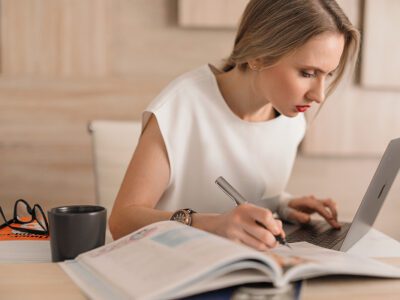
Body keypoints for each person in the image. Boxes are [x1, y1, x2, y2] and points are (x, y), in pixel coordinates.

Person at [109, 0, 360, 251]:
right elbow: (122, 221)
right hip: (170, 266)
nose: (319, 95)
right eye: (307, 73)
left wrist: (284, 204)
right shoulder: (181, 106)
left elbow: (245, 196)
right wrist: (211, 224)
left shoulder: (291, 121)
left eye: (327, 74)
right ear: (258, 55)